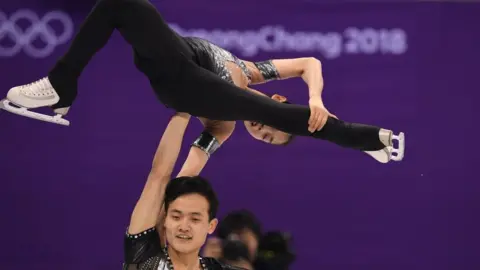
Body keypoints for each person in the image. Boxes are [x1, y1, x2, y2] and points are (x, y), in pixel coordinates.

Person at [0, 0, 404, 163]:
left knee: (245, 104)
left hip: (184, 87)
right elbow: (309, 61)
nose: (263, 132)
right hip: (168, 57)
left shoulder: (222, 126)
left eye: (265, 138)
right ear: (281, 95)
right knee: (118, 4)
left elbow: (187, 170)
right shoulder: (253, 71)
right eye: (274, 129)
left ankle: (368, 139)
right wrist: (316, 99)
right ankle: (61, 86)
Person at [124, 111, 243, 269]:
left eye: (195, 219)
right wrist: (183, 109)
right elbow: (159, 176)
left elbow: (178, 182)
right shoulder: (145, 261)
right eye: (176, 217)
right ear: (165, 219)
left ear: (211, 226)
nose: (184, 226)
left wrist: (215, 135)